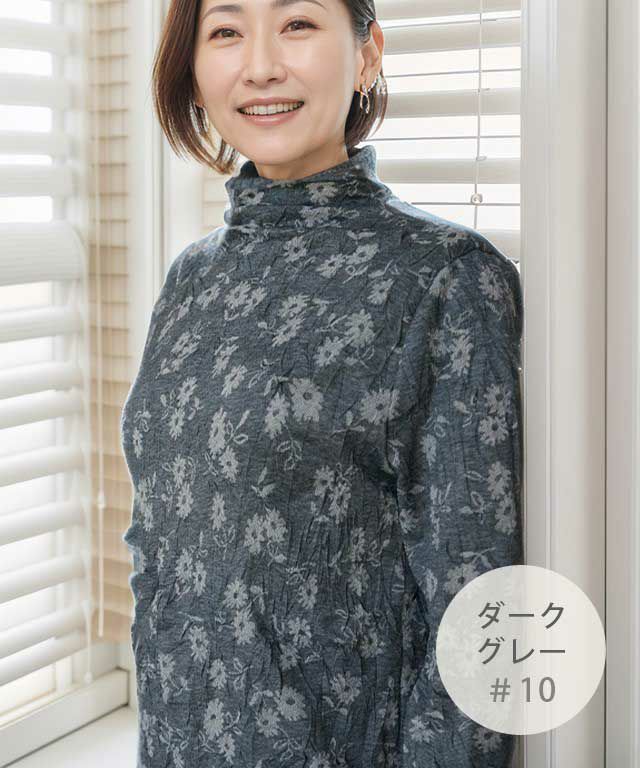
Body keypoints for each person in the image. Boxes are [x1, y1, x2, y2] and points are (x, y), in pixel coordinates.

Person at [120, 0, 524, 766]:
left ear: (367, 54)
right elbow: (161, 543)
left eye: (297, 24)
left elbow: (478, 606)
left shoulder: (447, 277)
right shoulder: (191, 276)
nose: (260, 65)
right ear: (193, 71)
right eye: (226, 31)